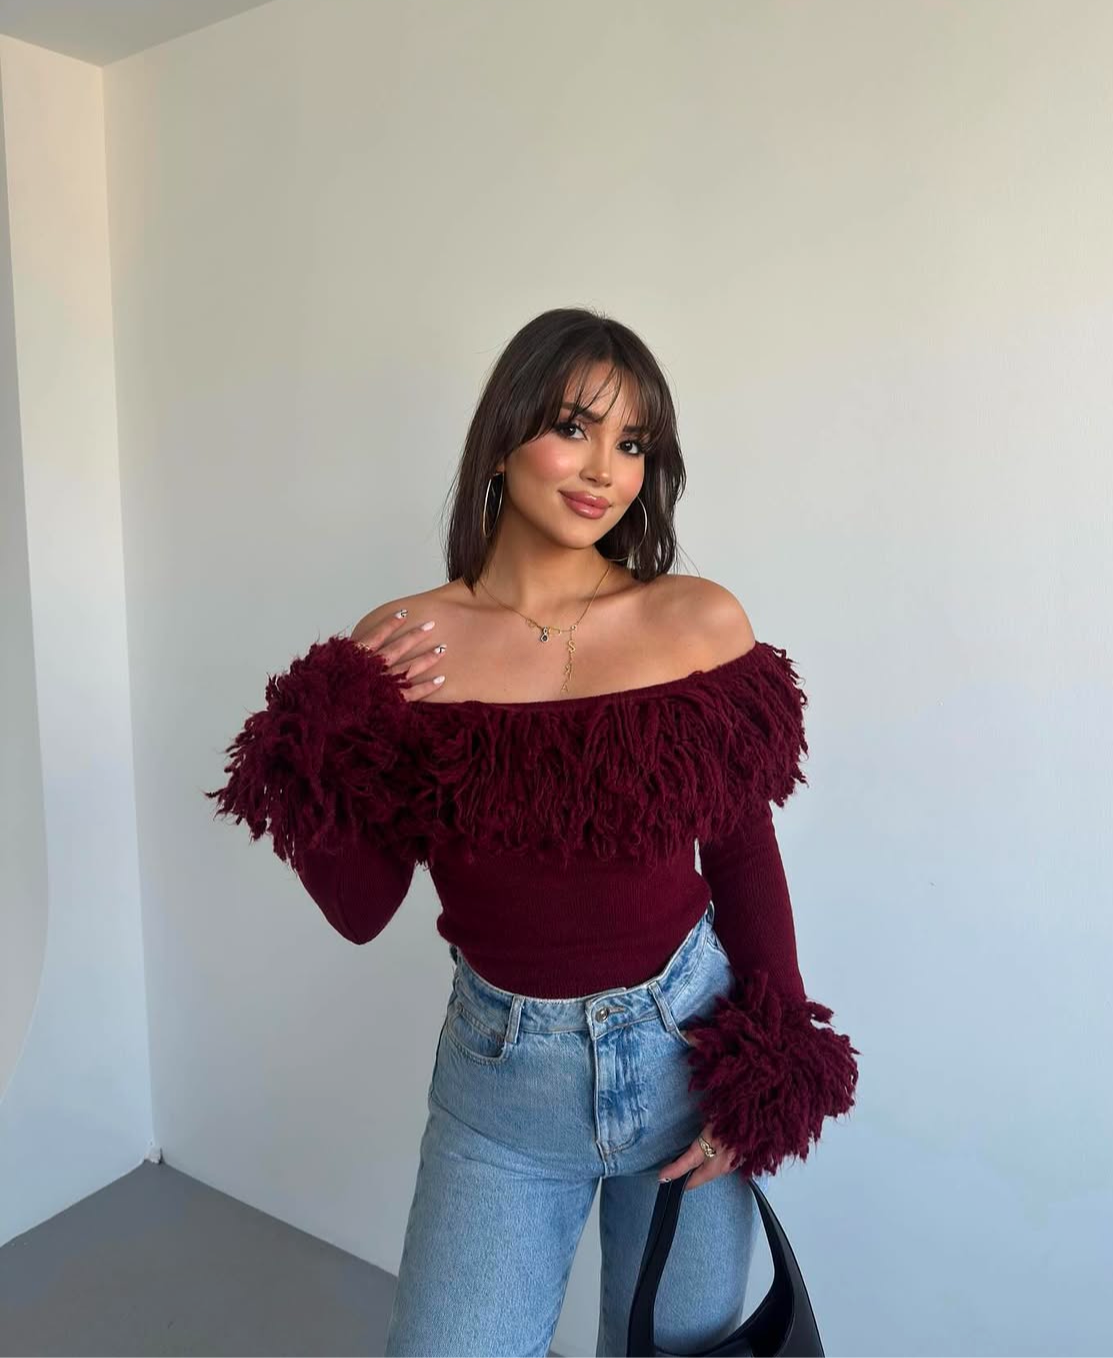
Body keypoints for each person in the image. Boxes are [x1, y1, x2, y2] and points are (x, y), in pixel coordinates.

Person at [205, 307, 859, 1357]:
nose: (604, 468)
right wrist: (322, 723)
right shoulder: (411, 645)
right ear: (505, 435)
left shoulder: (696, 622)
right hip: (501, 1089)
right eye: (573, 426)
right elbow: (362, 907)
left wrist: (766, 1074)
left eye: (632, 443)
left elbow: (741, 852)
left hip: (691, 1057)